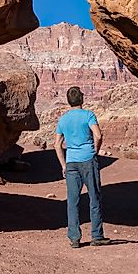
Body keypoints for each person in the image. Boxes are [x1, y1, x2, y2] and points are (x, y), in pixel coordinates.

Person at [54, 86, 111, 248]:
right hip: (88, 160)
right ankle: (97, 236)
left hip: (71, 162)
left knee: (73, 201)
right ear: (82, 99)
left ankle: (74, 238)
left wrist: (64, 165)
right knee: (94, 197)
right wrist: (95, 151)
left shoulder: (63, 119)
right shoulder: (88, 115)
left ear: (68, 100)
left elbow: (57, 144)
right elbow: (98, 135)